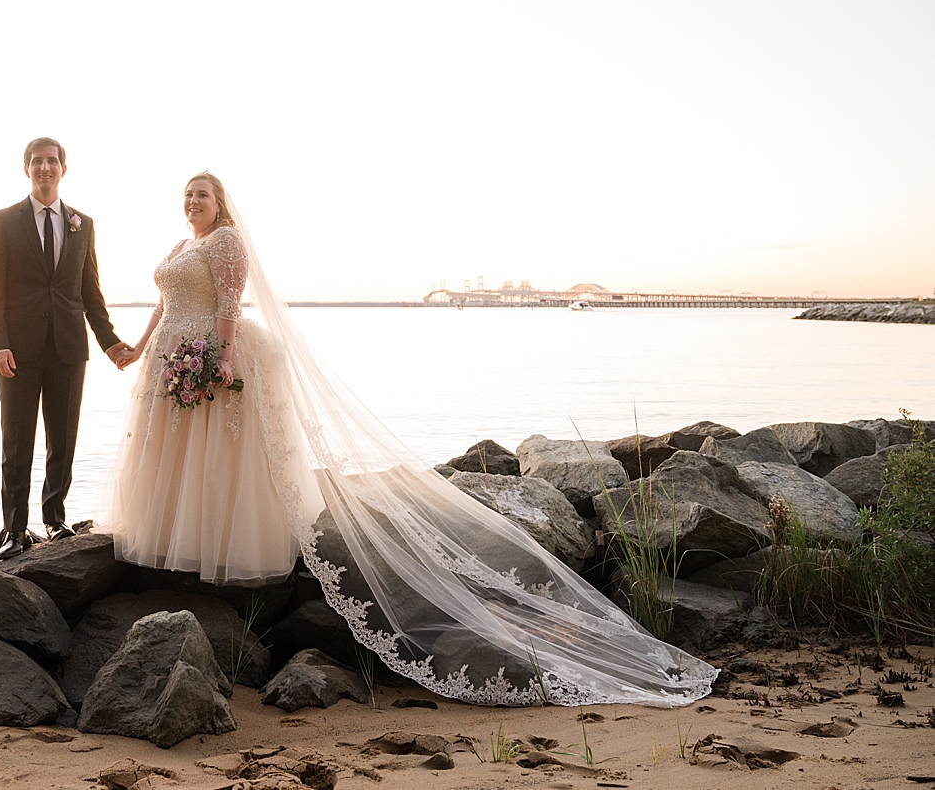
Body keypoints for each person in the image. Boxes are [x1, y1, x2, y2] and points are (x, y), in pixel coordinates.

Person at [107, 172, 718, 706]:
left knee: (220, 458)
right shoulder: (180, 244)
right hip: (170, 355)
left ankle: (220, 545)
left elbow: (229, 306)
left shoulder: (228, 242)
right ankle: (177, 540)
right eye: (188, 194)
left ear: (222, 203)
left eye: (204, 194)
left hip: (215, 353)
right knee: (178, 462)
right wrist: (139, 348)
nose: (193, 202)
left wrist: (221, 359)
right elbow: (166, 301)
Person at [0, 138, 129, 561]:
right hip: (18, 352)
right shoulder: (5, 221)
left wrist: (111, 343)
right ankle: (14, 529)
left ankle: (55, 518)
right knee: (17, 441)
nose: (44, 168)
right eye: (37, 162)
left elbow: (89, 291)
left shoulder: (83, 223)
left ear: (64, 168)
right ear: (26, 169)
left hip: (68, 348)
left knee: (62, 440)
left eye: (52, 161)